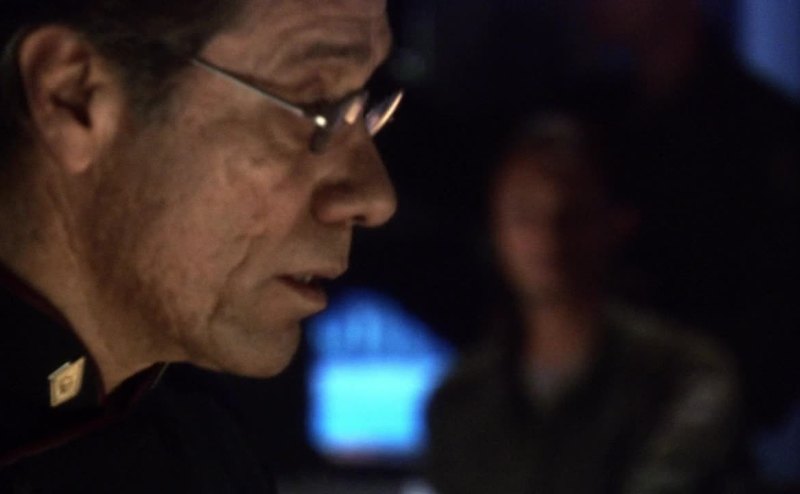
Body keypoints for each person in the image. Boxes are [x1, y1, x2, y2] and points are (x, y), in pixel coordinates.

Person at [0, 0, 398, 491]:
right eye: (317, 106)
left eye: (365, 109)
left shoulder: (205, 440)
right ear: (71, 97)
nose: (376, 198)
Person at [425, 115, 741, 494]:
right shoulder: (459, 400)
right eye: (525, 215)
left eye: (573, 213)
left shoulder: (684, 375)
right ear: (495, 230)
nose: (548, 235)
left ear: (615, 222)